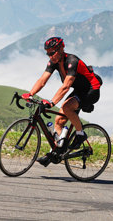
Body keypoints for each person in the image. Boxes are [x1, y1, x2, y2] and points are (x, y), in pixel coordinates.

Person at [22, 36, 102, 167]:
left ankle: (80, 134)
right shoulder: (53, 62)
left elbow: (65, 86)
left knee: (67, 107)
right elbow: (42, 80)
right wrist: (30, 93)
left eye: (52, 53)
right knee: (59, 120)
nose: (50, 56)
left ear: (61, 49)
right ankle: (56, 152)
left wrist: (52, 102)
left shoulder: (72, 61)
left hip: (91, 90)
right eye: (48, 53)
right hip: (79, 90)